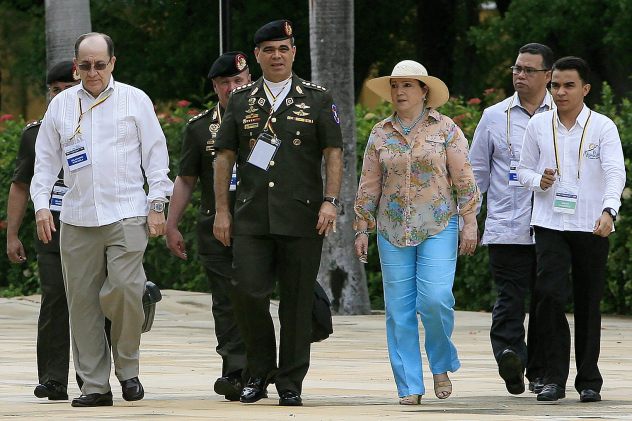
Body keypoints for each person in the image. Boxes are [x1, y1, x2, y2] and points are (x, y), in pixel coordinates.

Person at [30, 32, 173, 407]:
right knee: (82, 305)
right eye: (85, 65)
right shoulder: (61, 105)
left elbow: (156, 157)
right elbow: (44, 163)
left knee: (126, 290)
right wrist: (42, 206)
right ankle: (94, 385)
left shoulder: (134, 99)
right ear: (76, 66)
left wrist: (158, 204)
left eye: (99, 64)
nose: (92, 72)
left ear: (112, 63)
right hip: (76, 219)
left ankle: (128, 368)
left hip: (126, 212)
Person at [213, 19, 343, 406]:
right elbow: (224, 156)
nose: (276, 56)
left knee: (297, 303)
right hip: (251, 216)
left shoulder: (317, 98)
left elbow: (333, 153)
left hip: (302, 216)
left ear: (293, 52)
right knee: (248, 293)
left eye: (283, 48)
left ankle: (291, 381)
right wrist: (223, 210)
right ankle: (258, 371)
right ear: (257, 55)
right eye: (268, 49)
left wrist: (330, 201)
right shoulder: (241, 99)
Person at [354, 60, 480, 404]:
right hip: (392, 228)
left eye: (407, 85)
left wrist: (470, 220)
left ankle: (440, 363)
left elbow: (464, 177)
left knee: (436, 299)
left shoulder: (446, 129)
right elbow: (369, 182)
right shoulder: (380, 132)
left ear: (425, 91)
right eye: (395, 86)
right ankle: (409, 385)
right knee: (399, 310)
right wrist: (362, 227)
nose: (399, 92)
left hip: (438, 223)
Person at [518, 56, 625, 403]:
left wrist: (610, 210)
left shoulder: (603, 127)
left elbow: (615, 173)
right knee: (548, 294)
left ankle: (589, 379)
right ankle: (552, 377)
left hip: (592, 224)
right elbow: (522, 171)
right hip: (550, 222)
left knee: (588, 301)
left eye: (568, 85)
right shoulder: (539, 125)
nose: (560, 92)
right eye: (555, 85)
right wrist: (540, 180)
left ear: (585, 88)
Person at [469, 43, 554, 395]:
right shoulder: (494, 116)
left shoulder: (564, 115)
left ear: (548, 75)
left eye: (528, 70)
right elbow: (476, 174)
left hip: (553, 226)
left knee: (547, 300)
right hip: (507, 225)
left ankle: (540, 371)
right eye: (516, 69)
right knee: (510, 297)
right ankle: (509, 356)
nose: (520, 75)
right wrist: (468, 221)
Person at [165, 51, 251, 401]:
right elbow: (185, 179)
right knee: (226, 301)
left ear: (250, 81)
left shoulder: (270, 119)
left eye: (239, 82)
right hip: (215, 225)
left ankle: (269, 364)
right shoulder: (200, 127)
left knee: (259, 293)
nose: (233, 88)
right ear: (215, 86)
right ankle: (235, 371)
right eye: (225, 83)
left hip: (261, 223)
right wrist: (172, 224)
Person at [6, 61, 79, 401]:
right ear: (49, 93)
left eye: (69, 88)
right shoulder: (34, 134)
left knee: (99, 303)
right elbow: (20, 185)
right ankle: (52, 378)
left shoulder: (97, 126)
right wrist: (12, 234)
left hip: (94, 227)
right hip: (51, 228)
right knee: (54, 300)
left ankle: (96, 377)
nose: (62, 95)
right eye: (56, 90)